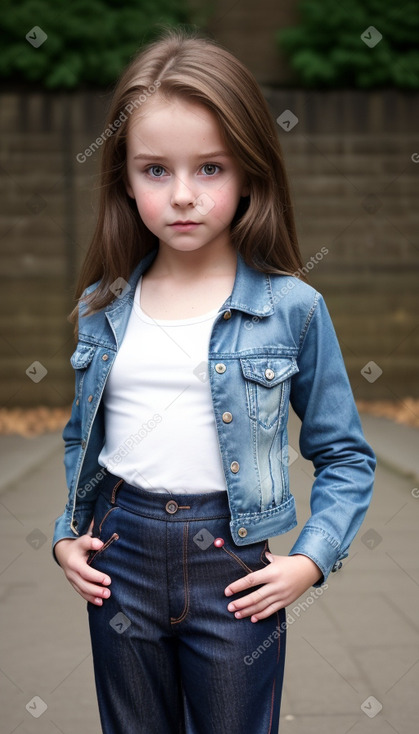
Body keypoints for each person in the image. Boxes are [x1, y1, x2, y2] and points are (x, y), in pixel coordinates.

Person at [52, 28, 376, 734]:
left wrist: (310, 561)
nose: (183, 196)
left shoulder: (292, 308)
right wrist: (64, 535)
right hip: (120, 555)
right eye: (155, 170)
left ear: (251, 170)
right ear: (124, 177)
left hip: (231, 572)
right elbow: (83, 439)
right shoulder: (100, 308)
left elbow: (345, 455)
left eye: (210, 168)